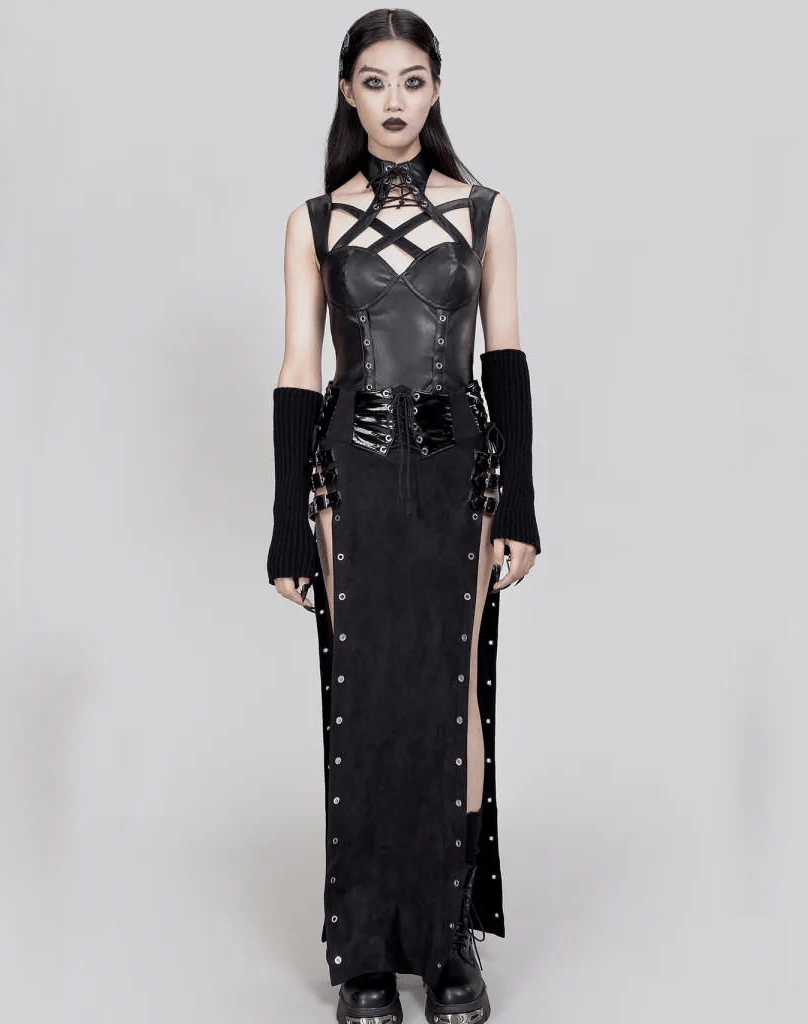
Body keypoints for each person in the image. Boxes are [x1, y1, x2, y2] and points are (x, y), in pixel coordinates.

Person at [266, 9, 541, 1023]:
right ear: (348, 92)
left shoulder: (485, 211)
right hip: (352, 474)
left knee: (451, 693)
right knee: (366, 695)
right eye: (375, 81)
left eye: (412, 80)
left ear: (436, 88)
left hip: (462, 473)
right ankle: (368, 950)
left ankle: (448, 938)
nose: (394, 100)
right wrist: (286, 523)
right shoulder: (313, 222)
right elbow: (300, 370)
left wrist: (522, 503)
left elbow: (505, 357)